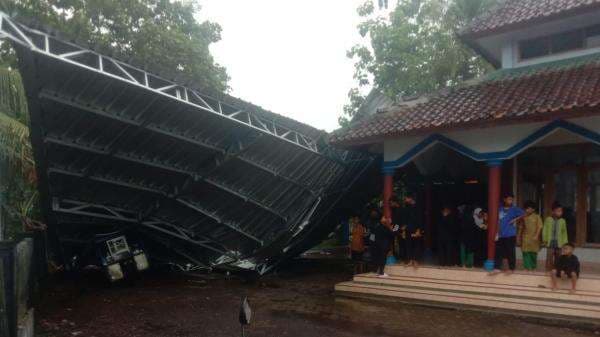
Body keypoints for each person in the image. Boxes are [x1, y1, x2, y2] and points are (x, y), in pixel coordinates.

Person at [494, 193, 524, 273]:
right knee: (498, 252)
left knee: (510, 252)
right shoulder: (499, 209)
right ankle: (497, 268)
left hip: (510, 234)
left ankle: (511, 268)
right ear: (504, 199)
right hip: (501, 234)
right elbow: (497, 221)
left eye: (512, 199)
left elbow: (525, 214)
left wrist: (515, 220)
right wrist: (497, 233)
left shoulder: (514, 209)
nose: (511, 201)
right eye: (509, 199)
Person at [543, 202, 569, 271]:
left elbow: (564, 232)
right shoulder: (548, 219)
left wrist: (565, 242)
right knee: (549, 257)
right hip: (550, 242)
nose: (560, 212)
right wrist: (544, 239)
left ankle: (558, 270)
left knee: (559, 257)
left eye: (561, 211)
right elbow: (545, 230)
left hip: (559, 243)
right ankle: (548, 270)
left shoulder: (562, 221)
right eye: (558, 211)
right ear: (553, 211)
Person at [518, 201, 543, 271]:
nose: (527, 210)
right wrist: (518, 237)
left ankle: (533, 267)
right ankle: (526, 267)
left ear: (533, 209)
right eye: (526, 209)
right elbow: (521, 227)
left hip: (534, 238)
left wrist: (536, 235)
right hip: (525, 238)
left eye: (529, 208)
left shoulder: (537, 217)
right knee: (525, 252)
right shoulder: (523, 217)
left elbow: (540, 226)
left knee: (533, 253)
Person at [400, 194, 423, 267]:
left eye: (406, 198)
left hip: (415, 228)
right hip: (406, 229)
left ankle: (415, 260)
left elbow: (420, 219)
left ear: (411, 198)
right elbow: (400, 221)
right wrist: (401, 230)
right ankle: (409, 260)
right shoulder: (406, 208)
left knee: (416, 245)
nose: (405, 199)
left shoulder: (418, 207)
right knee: (408, 245)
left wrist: (419, 230)